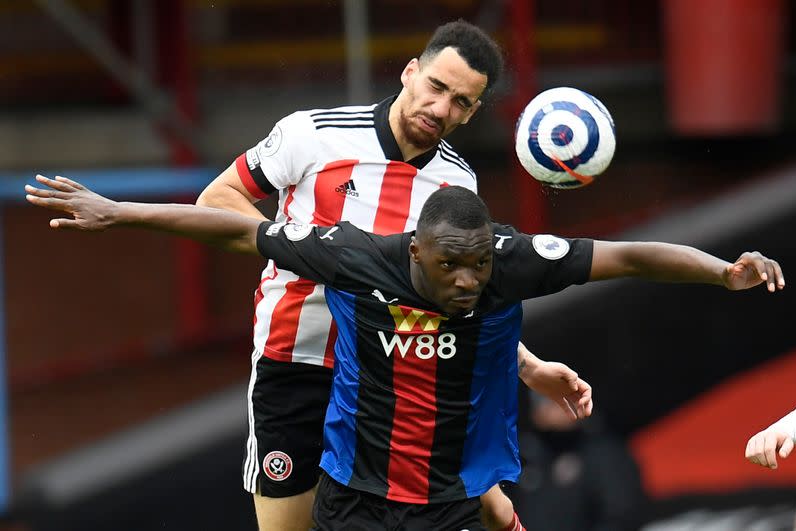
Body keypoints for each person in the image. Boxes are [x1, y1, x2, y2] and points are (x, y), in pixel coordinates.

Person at [26, 176, 785, 530]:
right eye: (447, 265)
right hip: (356, 493)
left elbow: (630, 257)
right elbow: (233, 230)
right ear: (413, 247)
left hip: (456, 494)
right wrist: (115, 211)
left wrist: (723, 270)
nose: (465, 281)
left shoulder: (513, 257)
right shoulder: (357, 255)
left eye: (476, 266)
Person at [193, 18, 586, 531]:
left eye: (461, 102)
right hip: (296, 358)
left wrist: (527, 365)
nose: (441, 109)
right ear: (410, 72)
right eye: (437, 87)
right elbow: (217, 200)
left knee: (481, 504)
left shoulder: (456, 185)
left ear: (472, 114)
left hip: (391, 375)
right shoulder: (312, 134)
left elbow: (453, 297)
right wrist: (307, 251)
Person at [508, 392, 647, 530]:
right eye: (548, 404)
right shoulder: (527, 459)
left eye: (564, 401)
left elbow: (621, 515)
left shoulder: (600, 451)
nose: (558, 409)